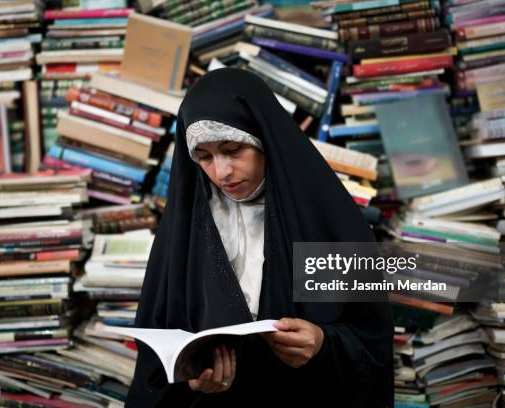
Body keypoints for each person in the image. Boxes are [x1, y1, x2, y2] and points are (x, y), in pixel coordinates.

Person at [126, 68, 394, 407]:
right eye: (205, 157)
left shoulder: (322, 219)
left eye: (234, 149)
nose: (221, 172)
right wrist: (192, 378)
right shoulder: (185, 231)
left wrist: (324, 343)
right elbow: (155, 358)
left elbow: (372, 340)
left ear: (264, 140)